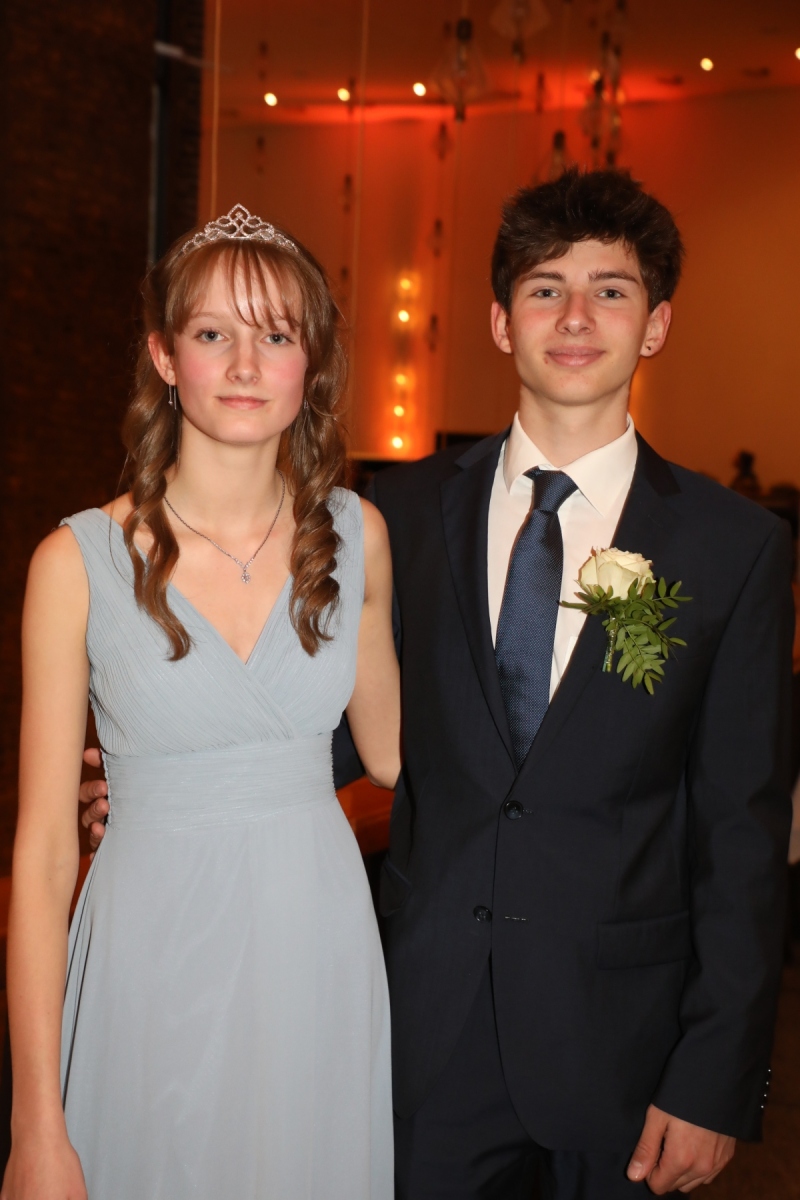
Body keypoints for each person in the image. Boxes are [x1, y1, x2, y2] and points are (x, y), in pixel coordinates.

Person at [81, 170, 794, 1199]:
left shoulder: (732, 548)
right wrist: (180, 774)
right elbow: (348, 710)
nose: (575, 316)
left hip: (624, 1050)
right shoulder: (394, 515)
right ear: (501, 323)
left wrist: (715, 1077)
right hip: (420, 1029)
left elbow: (741, 831)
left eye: (610, 290)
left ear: (656, 324)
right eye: (544, 289)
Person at [3, 206, 400, 1200]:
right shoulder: (75, 563)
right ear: (164, 356)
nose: (245, 364)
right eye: (213, 333)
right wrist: (35, 1122)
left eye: (277, 335)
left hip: (315, 949)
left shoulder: (357, 537)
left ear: (311, 363)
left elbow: (400, 757)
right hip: (150, 951)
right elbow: (43, 857)